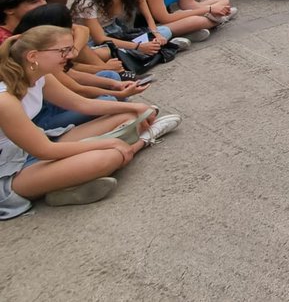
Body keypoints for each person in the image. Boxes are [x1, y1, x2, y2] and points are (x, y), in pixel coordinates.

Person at [0, 25, 181, 219]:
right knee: (110, 155)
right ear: (33, 56)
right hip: (10, 171)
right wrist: (109, 142)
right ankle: (143, 141)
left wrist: (133, 107)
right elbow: (45, 150)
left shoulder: (40, 76)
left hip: (30, 149)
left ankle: (65, 186)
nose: (70, 56)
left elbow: (82, 104)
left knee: (126, 118)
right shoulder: (5, 100)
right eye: (63, 51)